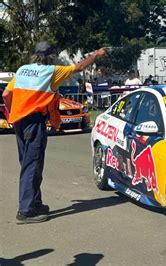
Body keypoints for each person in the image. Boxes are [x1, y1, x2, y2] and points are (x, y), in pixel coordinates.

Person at [2, 41, 106, 224]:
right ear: (51, 56)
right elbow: (79, 67)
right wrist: (96, 54)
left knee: (28, 163)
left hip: (18, 121)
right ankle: (26, 211)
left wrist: (13, 114)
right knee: (32, 165)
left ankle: (35, 203)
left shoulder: (22, 70)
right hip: (34, 122)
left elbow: (5, 95)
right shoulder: (53, 71)